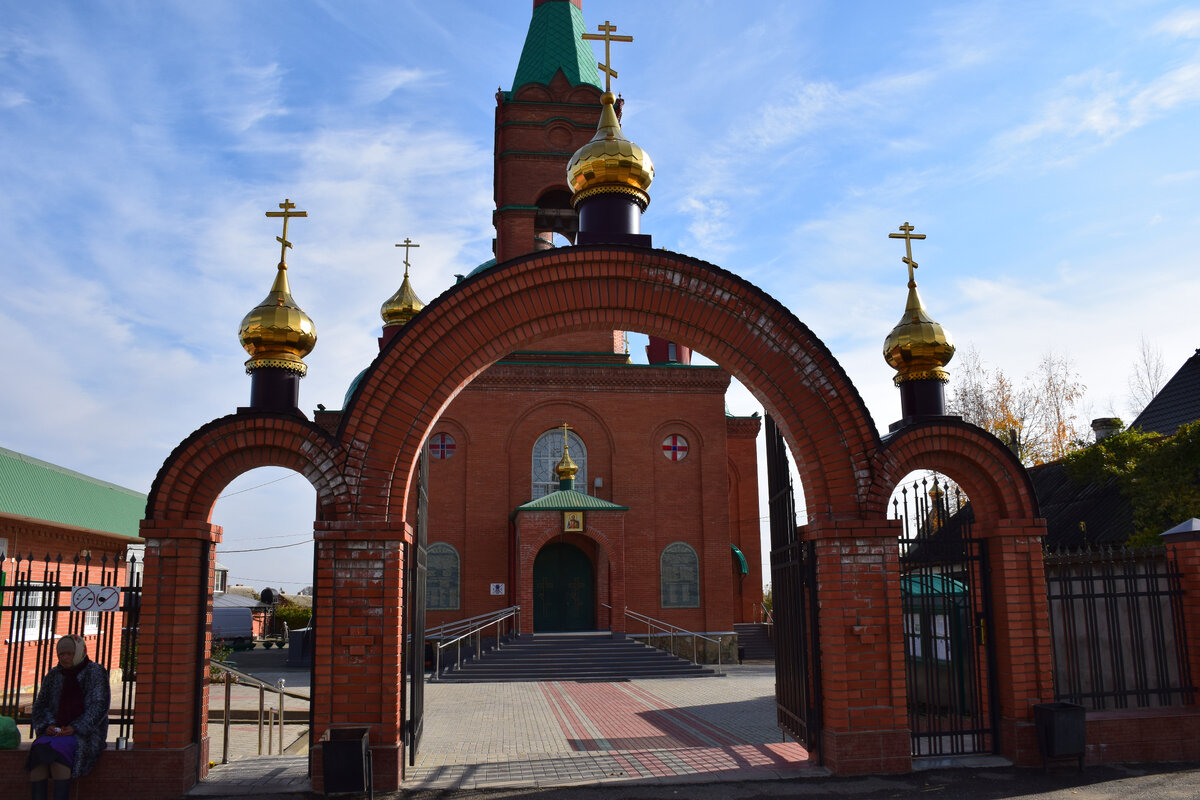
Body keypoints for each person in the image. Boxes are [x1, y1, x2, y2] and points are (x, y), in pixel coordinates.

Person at [25, 634, 110, 800]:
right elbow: (41, 705)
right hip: (56, 730)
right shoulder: (54, 674)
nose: (64, 658)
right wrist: (47, 725)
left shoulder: (95, 672)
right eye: (61, 654)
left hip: (85, 733)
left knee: (59, 753)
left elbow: (99, 705)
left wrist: (76, 727)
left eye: (69, 653)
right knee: (39, 750)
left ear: (79, 652)